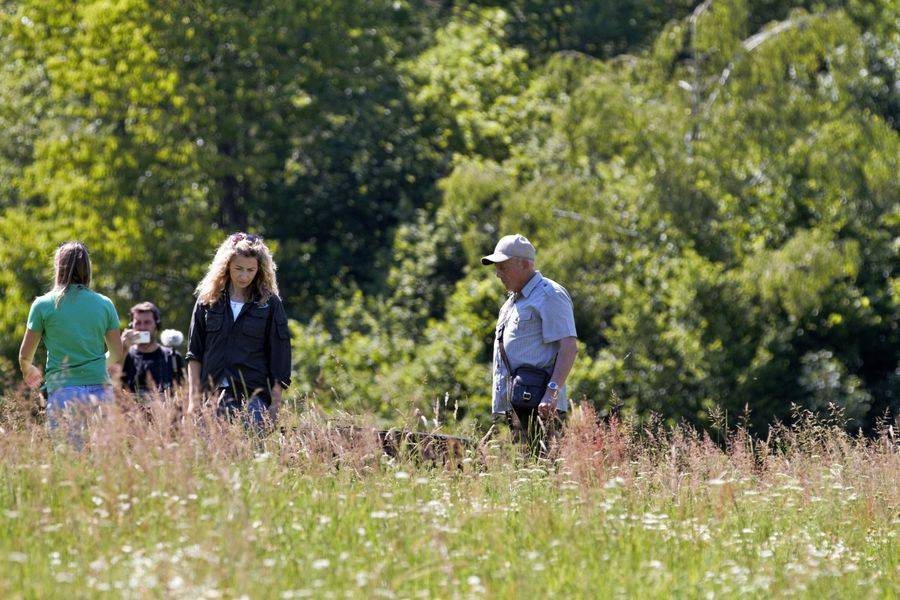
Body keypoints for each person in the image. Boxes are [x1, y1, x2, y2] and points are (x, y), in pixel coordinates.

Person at [18, 241, 124, 438]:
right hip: (101, 392)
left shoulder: (42, 305)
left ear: (59, 267)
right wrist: (98, 365)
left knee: (70, 461)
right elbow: (117, 352)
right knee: (104, 462)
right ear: (87, 269)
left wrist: (28, 369)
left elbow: (25, 356)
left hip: (63, 393)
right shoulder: (105, 303)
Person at [186, 232, 291, 430]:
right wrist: (194, 400)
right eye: (238, 269)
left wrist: (275, 406)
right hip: (211, 397)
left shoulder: (270, 304)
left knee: (249, 457)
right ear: (226, 266)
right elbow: (194, 354)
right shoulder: (208, 300)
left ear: (260, 269)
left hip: (253, 399)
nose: (244, 276)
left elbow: (281, 357)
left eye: (251, 270)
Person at [482, 234, 578, 449]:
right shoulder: (511, 302)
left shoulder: (550, 294)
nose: (498, 274)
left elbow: (569, 347)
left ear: (525, 264)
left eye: (503, 267)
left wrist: (551, 393)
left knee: (545, 472)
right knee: (524, 474)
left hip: (540, 405)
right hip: (517, 404)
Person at [120, 302, 185, 395]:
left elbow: (183, 393)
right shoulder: (125, 356)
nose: (142, 327)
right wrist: (122, 349)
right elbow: (112, 384)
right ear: (131, 326)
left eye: (147, 322)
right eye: (138, 323)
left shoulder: (172, 357)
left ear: (157, 325)